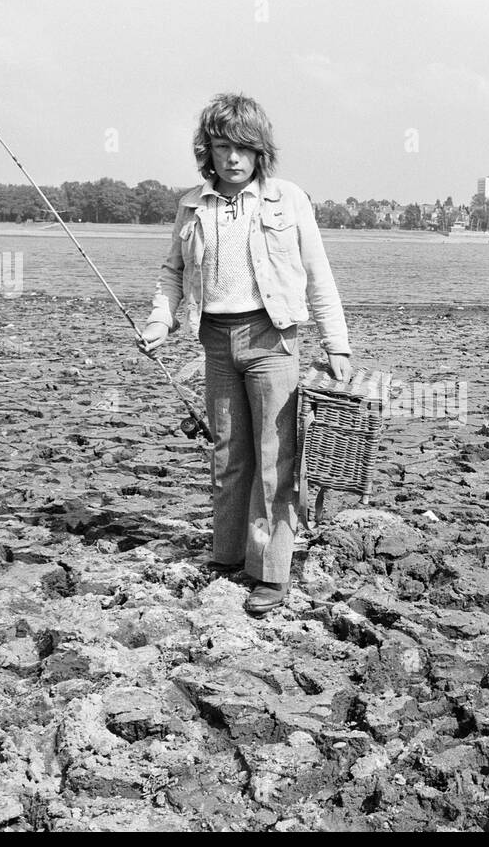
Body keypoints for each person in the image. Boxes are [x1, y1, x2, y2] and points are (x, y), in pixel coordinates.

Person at [138, 92, 352, 616]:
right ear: (205, 151)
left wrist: (336, 343)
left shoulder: (289, 199)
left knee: (276, 459)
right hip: (214, 340)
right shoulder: (191, 204)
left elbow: (318, 274)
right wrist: (160, 320)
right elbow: (173, 272)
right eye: (220, 147)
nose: (231, 158)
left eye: (242, 148)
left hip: (272, 340)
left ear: (260, 152)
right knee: (229, 455)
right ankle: (229, 555)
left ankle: (272, 572)